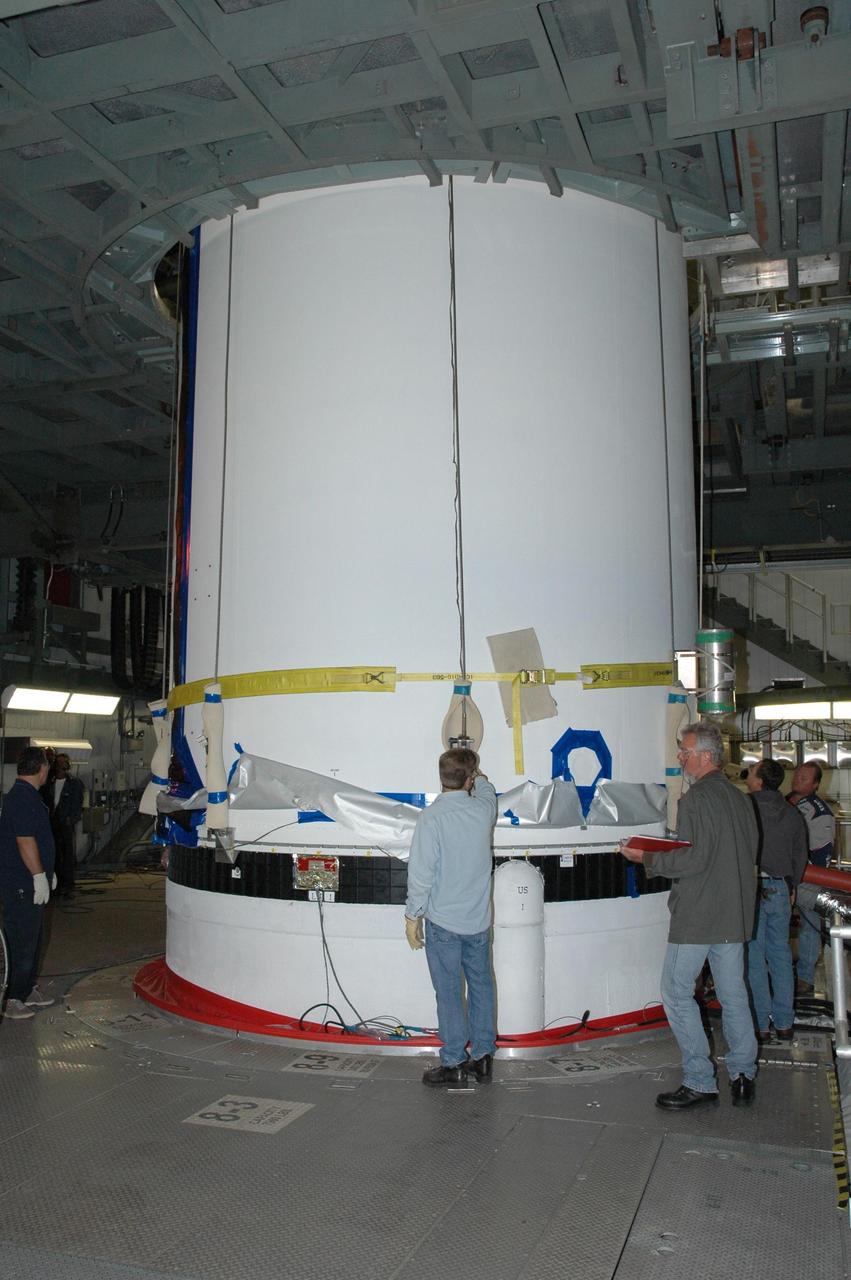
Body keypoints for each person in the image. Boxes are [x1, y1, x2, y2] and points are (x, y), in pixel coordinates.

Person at [621, 721, 758, 1109]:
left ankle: (700, 1079)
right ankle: (743, 1075)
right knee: (734, 997)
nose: (680, 756)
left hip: (698, 916)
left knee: (677, 994)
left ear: (705, 756)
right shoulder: (741, 799)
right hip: (735, 915)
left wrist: (645, 856)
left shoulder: (694, 799)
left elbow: (695, 858)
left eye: (685, 750)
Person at [404, 747, 498, 1086]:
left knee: (448, 993)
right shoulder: (483, 810)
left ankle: (455, 1062)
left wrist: (412, 916)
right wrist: (479, 776)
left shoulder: (431, 818)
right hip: (479, 923)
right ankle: (484, 1057)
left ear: (440, 777)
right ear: (469, 780)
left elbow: (421, 874)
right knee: (482, 987)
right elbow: (487, 790)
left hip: (443, 924)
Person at [745, 758, 808, 1040]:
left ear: (759, 780)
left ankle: (760, 1024)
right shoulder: (792, 813)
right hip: (782, 888)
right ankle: (784, 1023)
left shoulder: (745, 807)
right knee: (781, 956)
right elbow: (800, 855)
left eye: (751, 772)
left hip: (752, 887)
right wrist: (791, 884)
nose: (748, 776)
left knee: (754, 958)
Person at [0, 747, 57, 1020]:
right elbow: (25, 840)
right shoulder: (21, 798)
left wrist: (47, 872)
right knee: (21, 938)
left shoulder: (29, 796)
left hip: (31, 880)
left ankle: (26, 989)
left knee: (33, 937)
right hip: (21, 883)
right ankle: (11, 997)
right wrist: (37, 876)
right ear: (42, 769)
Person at [789, 762, 835, 995]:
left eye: (805, 778)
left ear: (815, 784)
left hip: (808, 878)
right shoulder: (786, 801)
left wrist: (817, 882)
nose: (798, 780)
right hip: (782, 875)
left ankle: (805, 977)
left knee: (810, 925)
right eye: (797, 775)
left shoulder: (820, 811)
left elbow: (823, 850)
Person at [49, 752, 85, 898]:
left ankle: (67, 883)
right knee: (54, 853)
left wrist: (71, 819)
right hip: (52, 822)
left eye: (65, 762)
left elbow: (78, 803)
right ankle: (55, 883)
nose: (62, 765)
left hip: (66, 822)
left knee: (67, 854)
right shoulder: (50, 783)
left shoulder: (74, 783)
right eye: (60, 762)